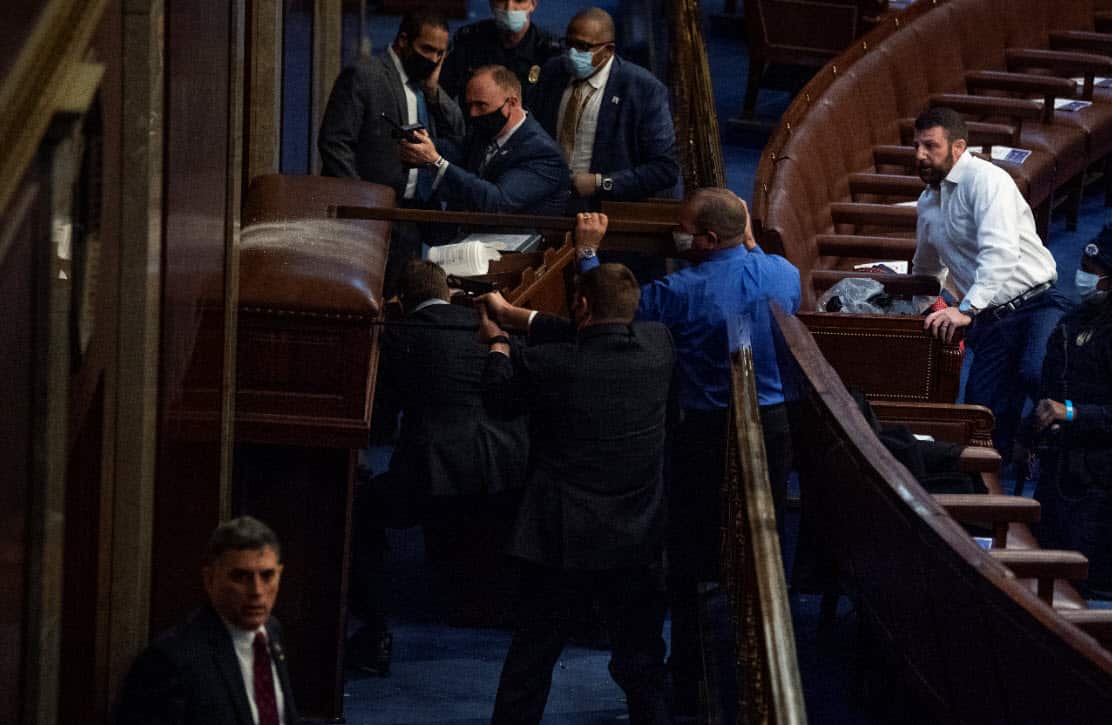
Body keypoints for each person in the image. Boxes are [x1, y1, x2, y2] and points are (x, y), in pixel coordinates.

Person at [573, 188, 801, 715]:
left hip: (704, 435)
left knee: (691, 554)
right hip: (773, 427)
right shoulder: (784, 275)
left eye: (685, 230)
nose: (677, 236)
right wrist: (746, 240)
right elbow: (753, 260)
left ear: (708, 238)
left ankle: (689, 678)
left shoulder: (678, 291)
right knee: (760, 539)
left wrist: (588, 254)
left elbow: (608, 311)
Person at [477, 264, 674, 725]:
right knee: (642, 663)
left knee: (532, 661)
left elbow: (499, 400)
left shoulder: (549, 365)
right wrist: (519, 316)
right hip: (635, 538)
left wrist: (498, 344)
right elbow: (599, 335)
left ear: (581, 305)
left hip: (560, 540)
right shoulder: (659, 346)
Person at [349, 260, 529, 660]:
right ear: (447, 292)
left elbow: (380, 421)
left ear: (400, 300)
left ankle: (374, 625)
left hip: (437, 471)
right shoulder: (487, 323)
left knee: (362, 509)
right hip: (508, 465)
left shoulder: (398, 334)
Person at [912, 107, 1066, 466]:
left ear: (958, 147)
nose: (919, 155)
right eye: (916, 145)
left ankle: (1067, 445)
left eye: (930, 146)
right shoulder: (928, 202)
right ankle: (1009, 463)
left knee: (1036, 371)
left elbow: (1001, 253)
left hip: (1036, 303)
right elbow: (927, 267)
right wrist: (921, 309)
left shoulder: (987, 181)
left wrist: (965, 309)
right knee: (981, 418)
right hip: (992, 320)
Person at [317, 9, 465, 281]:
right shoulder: (365, 75)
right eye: (427, 49)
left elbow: (457, 131)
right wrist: (363, 205)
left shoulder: (424, 87)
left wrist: (434, 90)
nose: (433, 59)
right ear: (403, 41)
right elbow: (335, 144)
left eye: (440, 53)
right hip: (369, 213)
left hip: (411, 218)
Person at [112, 517, 298, 725]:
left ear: (280, 574)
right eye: (240, 577)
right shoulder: (170, 660)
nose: (257, 591)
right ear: (210, 579)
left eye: (267, 576)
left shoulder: (272, 632)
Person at [1024, 233, 1112, 599]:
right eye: (1082, 266)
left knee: (1079, 583)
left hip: (1100, 480)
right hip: (1059, 465)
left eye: (1092, 270)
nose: (1083, 276)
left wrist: (1074, 413)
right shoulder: (1073, 320)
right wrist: (1028, 437)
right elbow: (1050, 386)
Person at [532, 7, 679, 213]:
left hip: (607, 209)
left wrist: (601, 182)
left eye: (583, 47)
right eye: (569, 44)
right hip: (549, 201)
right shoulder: (553, 72)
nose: (573, 53)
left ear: (608, 50)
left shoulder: (643, 89)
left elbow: (664, 169)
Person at [399, 64, 569, 217]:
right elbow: (456, 150)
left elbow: (497, 203)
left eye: (481, 105)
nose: (473, 114)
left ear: (512, 102)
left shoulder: (543, 153)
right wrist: (419, 142)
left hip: (518, 239)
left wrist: (437, 162)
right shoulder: (484, 133)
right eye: (470, 106)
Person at [439, 0, 562, 111]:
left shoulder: (549, 50)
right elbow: (444, 91)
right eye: (501, 0)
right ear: (491, 3)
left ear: (533, 4)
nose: (509, 8)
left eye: (519, 0)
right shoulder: (469, 39)